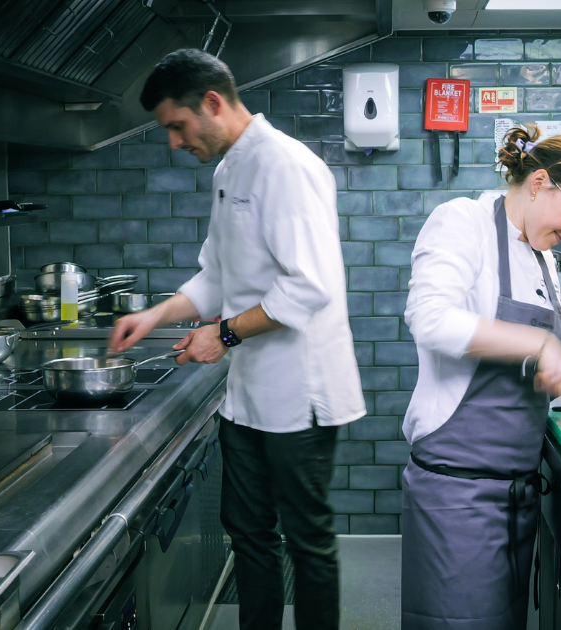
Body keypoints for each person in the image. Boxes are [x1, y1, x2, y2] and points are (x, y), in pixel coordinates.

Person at [108, 48, 364, 630]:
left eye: (177, 126)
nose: (175, 142)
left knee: (307, 542)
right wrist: (157, 314)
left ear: (213, 103)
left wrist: (221, 334)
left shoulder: (285, 166)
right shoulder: (229, 170)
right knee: (248, 536)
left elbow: (310, 287)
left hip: (301, 395)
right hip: (247, 396)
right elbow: (218, 274)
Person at [400, 124, 561, 629]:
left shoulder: (539, 255)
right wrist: (536, 345)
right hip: (459, 496)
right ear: (539, 183)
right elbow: (428, 318)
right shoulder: (463, 223)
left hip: (515, 495)